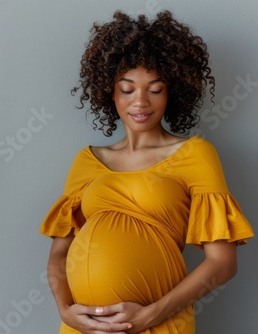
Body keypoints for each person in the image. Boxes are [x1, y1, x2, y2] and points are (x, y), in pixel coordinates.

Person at [40, 10, 254, 334]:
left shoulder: (195, 154)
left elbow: (223, 264)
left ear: (172, 93)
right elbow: (58, 255)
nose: (140, 102)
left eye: (155, 89)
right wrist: (66, 310)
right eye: (127, 89)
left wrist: (149, 315)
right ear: (109, 92)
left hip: (159, 323)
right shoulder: (86, 161)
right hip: (84, 329)